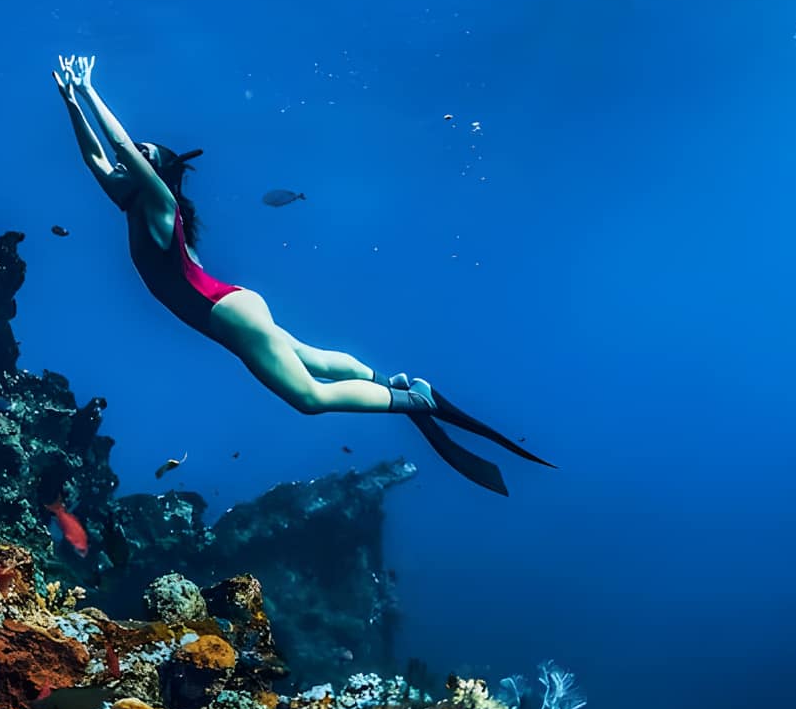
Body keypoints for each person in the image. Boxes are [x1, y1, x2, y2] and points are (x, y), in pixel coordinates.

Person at [53, 55, 552, 493]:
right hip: (231, 305)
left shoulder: (160, 204)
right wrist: (71, 103)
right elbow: (96, 158)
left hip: (227, 314)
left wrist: (90, 92)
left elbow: (118, 147)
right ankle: (388, 381)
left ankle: (412, 399)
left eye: (145, 156)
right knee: (309, 356)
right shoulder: (131, 203)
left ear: (155, 173)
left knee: (309, 398)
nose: (130, 158)